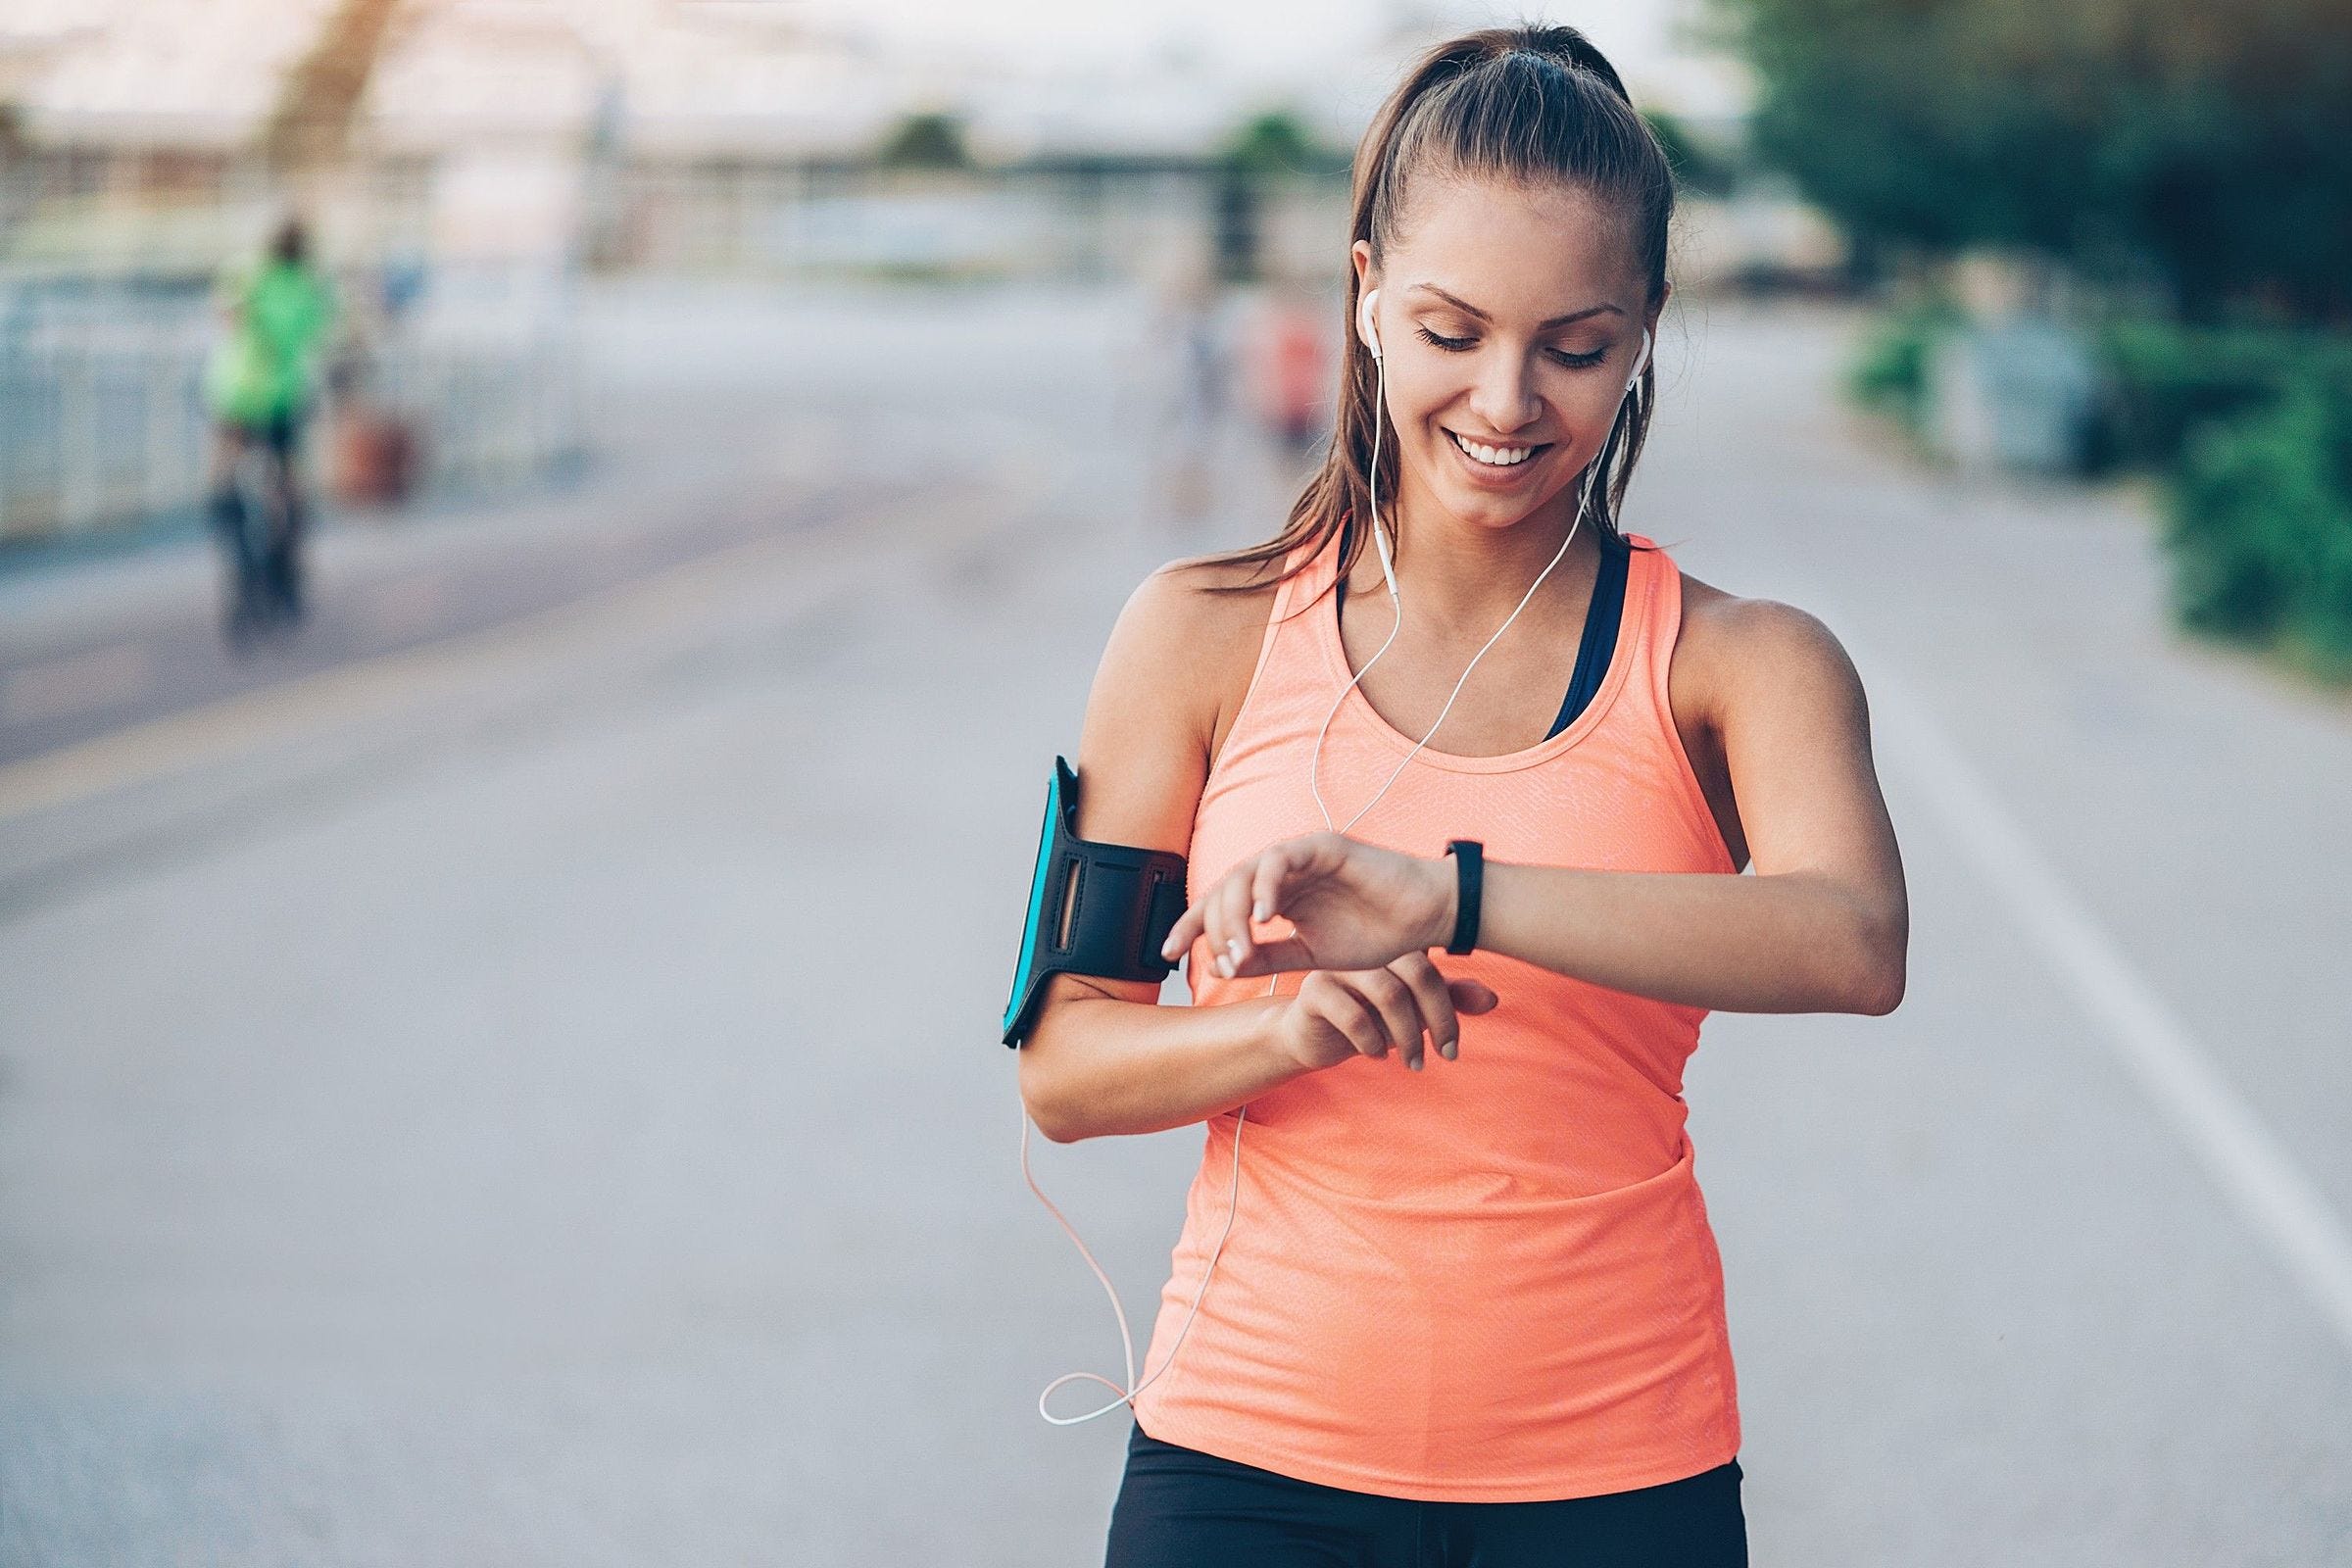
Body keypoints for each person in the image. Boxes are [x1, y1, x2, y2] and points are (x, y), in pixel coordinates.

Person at [1014, 25, 1909, 1567]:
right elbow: (1067, 1070)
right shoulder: (1200, 633)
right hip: (1244, 1460)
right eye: (1450, 328)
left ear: (1646, 332)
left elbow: (1852, 943)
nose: (1506, 401)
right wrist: (1283, 1026)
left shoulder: (1741, 665)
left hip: (1620, 1473)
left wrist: (1457, 894)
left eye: (1577, 345)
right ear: (1363, 292)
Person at [204, 216, 336, 645]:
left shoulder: (248, 271)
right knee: (291, 490)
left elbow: (227, 314)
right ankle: (287, 569)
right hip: (283, 399)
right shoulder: (309, 286)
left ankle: (240, 561)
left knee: (222, 485)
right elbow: (325, 335)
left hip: (237, 396)